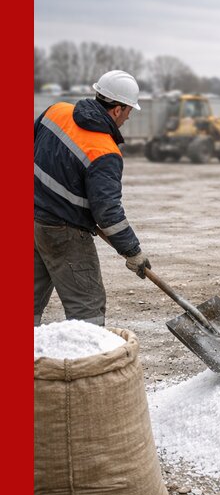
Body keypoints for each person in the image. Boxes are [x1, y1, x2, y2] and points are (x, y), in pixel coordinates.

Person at [34, 70, 152, 326]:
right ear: (117, 110)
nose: (129, 116)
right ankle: (88, 363)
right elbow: (108, 213)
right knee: (87, 309)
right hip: (63, 232)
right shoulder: (104, 152)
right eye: (130, 109)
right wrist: (132, 251)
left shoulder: (56, 112)